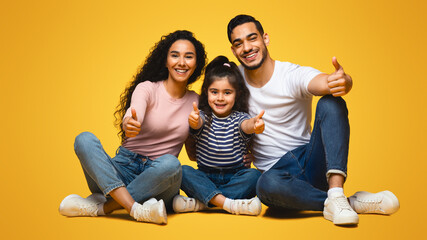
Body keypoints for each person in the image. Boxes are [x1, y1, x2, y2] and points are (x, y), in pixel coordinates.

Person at [226, 15, 400, 225]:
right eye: (238, 44)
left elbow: (325, 82)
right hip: (277, 176)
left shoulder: (290, 74)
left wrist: (344, 81)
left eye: (252, 38)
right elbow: (217, 114)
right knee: (264, 186)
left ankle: (336, 193)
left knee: (330, 102)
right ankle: (346, 203)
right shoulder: (233, 83)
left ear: (265, 39)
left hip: (312, 160)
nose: (246, 47)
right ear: (233, 51)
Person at [58, 30, 207, 225]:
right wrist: (130, 122)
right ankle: (136, 209)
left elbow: (193, 152)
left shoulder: (196, 101)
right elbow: (136, 110)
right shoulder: (147, 88)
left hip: (158, 180)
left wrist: (198, 128)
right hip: (121, 170)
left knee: (172, 164)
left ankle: (104, 207)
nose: (181, 62)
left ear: (196, 64)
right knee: (84, 139)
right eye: (175, 55)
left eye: (189, 56)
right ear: (165, 60)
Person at [172, 56, 265, 216]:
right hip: (205, 176)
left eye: (227, 93)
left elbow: (247, 126)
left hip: (235, 175)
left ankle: (202, 203)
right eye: (214, 92)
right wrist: (193, 122)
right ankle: (229, 203)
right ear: (206, 92)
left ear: (237, 94)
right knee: (183, 171)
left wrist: (254, 125)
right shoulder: (202, 116)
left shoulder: (240, 118)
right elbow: (197, 124)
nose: (220, 98)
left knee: (255, 175)